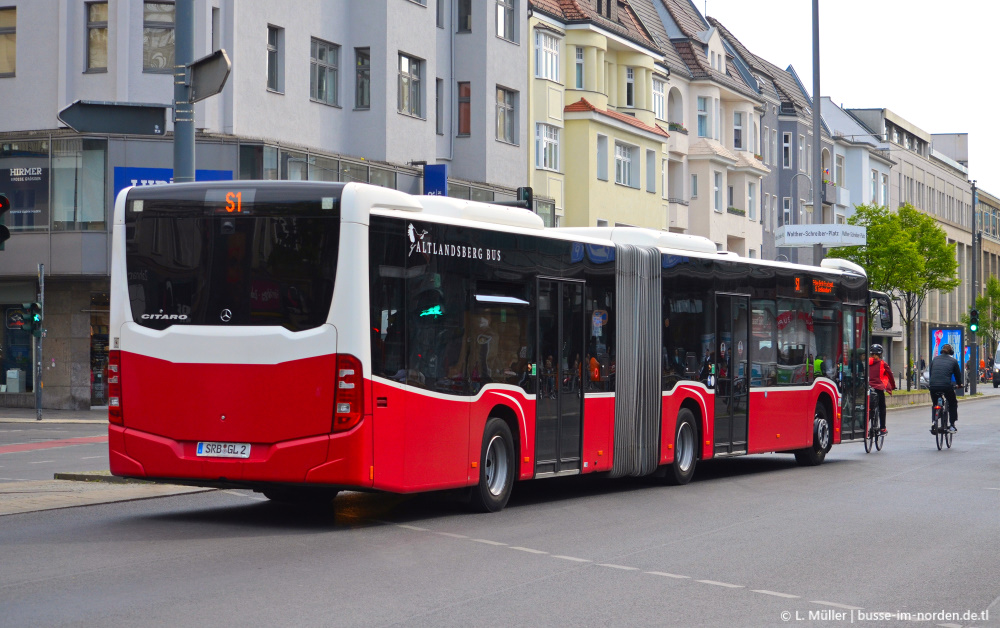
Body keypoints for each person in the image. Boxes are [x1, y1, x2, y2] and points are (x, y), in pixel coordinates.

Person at [928, 344, 962, 432]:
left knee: (935, 403)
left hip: (933, 386)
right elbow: (957, 375)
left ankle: (934, 422)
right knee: (952, 403)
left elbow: (931, 374)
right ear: (951, 352)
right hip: (946, 386)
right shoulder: (953, 361)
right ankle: (952, 425)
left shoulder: (935, 359)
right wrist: (959, 384)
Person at [868, 344, 896, 434]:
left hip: (868, 388)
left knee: (868, 408)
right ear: (880, 354)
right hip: (878, 388)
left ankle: (864, 426)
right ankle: (882, 428)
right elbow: (890, 376)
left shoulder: (866, 362)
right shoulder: (883, 363)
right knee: (882, 407)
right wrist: (892, 386)